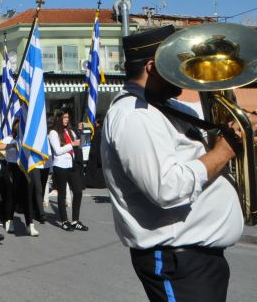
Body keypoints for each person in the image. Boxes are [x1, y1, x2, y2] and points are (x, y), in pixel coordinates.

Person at [102, 25, 246, 302]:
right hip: (177, 262)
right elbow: (166, 188)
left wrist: (240, 127)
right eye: (176, 64)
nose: (183, 71)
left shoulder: (167, 108)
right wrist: (224, 151)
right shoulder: (134, 115)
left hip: (197, 261)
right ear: (153, 67)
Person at [48, 110, 88, 231]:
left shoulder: (70, 131)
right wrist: (72, 144)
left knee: (78, 191)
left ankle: (75, 220)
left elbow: (80, 144)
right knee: (62, 194)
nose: (67, 119)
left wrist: (81, 135)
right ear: (59, 118)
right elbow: (58, 150)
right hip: (60, 165)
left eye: (68, 117)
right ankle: (64, 221)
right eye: (64, 117)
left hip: (72, 164)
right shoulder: (53, 133)